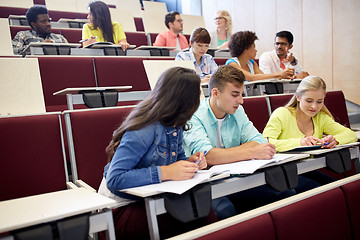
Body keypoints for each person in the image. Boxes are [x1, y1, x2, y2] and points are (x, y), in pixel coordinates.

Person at [98, 67, 216, 239]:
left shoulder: (175, 122)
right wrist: (166, 172)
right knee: (196, 217)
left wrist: (189, 163)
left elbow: (175, 158)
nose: (200, 99)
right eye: (197, 94)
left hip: (152, 199)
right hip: (120, 208)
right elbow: (115, 179)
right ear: (184, 100)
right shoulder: (143, 129)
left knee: (202, 212)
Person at [183, 65, 309, 218]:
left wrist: (227, 154)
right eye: (235, 94)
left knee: (286, 194)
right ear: (215, 93)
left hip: (235, 178)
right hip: (203, 184)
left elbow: (258, 141)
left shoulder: (237, 110)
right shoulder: (193, 115)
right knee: (224, 210)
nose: (241, 101)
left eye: (241, 94)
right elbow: (208, 156)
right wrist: (251, 152)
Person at [263, 76, 357, 152]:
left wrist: (335, 140)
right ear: (298, 97)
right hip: (285, 171)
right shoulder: (282, 114)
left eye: (319, 102)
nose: (314, 107)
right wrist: (299, 142)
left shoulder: (321, 117)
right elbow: (265, 142)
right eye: (309, 101)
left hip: (309, 168)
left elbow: (351, 134)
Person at [226, 31, 294, 81]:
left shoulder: (252, 64)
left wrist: (283, 76)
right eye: (254, 47)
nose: (256, 51)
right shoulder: (232, 63)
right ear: (246, 49)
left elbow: (264, 77)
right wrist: (279, 74)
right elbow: (251, 78)